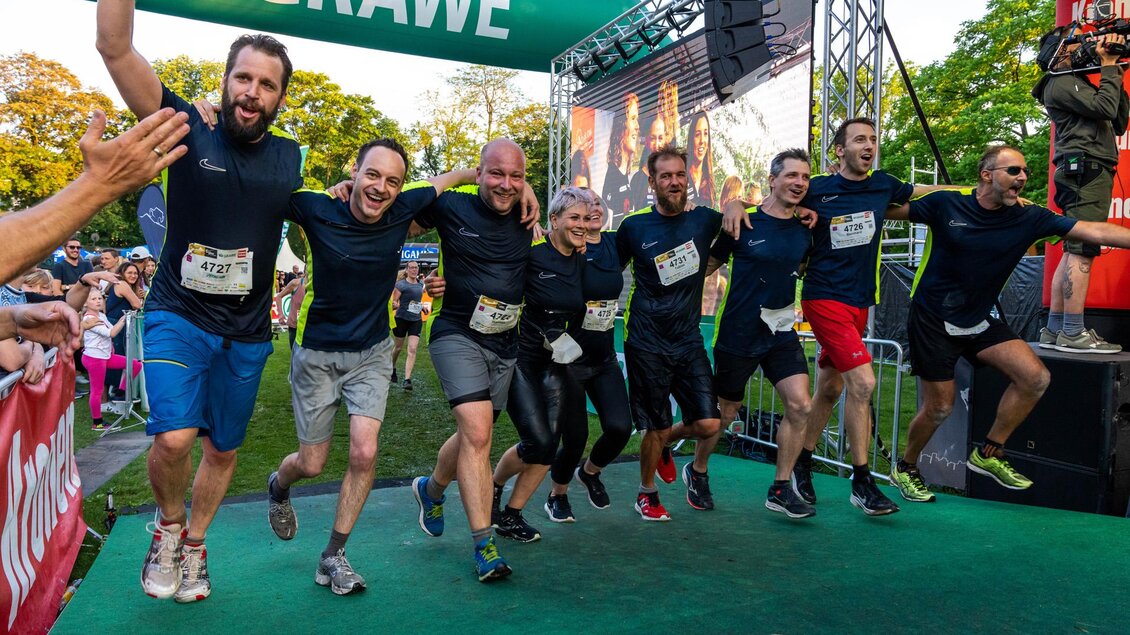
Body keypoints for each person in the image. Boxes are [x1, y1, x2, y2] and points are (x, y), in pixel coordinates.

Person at [97, 0, 303, 602]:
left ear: (279, 98)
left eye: (267, 84)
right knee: (174, 438)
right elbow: (115, 47)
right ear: (225, 79)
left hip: (245, 333)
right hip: (176, 317)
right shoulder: (186, 125)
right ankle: (166, 528)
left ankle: (195, 545)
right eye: (244, 77)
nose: (252, 91)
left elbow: (337, 216)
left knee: (222, 448)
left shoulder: (290, 159)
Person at [262, 139, 488, 595]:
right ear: (355, 171)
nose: (381, 187)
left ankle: (333, 556)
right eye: (372, 175)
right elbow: (258, 195)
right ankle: (278, 485)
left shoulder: (405, 207)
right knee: (311, 462)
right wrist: (327, 188)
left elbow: (454, 178)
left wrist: (512, 185)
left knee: (364, 453)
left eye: (393, 180)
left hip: (371, 352)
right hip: (317, 355)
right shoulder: (316, 207)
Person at [725, 118, 949, 516]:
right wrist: (734, 202)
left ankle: (801, 466)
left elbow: (931, 193)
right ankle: (862, 481)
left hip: (860, 302)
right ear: (839, 150)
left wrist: (979, 192)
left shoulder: (883, 185)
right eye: (859, 139)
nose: (869, 145)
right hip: (823, 299)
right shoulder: (819, 190)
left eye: (873, 139)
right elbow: (771, 205)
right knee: (862, 383)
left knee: (829, 390)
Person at [890, 145, 1130, 501]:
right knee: (940, 407)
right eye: (1014, 170)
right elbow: (892, 208)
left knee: (1035, 377)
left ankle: (988, 453)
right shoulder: (947, 203)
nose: (1022, 177)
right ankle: (906, 467)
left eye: (1025, 172)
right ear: (987, 175)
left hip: (978, 318)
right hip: (933, 319)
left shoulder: (1030, 217)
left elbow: (1093, 230)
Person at [409, 139, 535, 582]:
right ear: (479, 173)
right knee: (479, 432)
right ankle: (485, 546)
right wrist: (461, 174)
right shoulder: (452, 207)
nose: (506, 184)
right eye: (495, 173)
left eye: (515, 176)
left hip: (505, 342)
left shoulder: (527, 215)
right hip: (456, 333)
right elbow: (402, 215)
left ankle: (431, 488)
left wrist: (528, 191)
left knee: (472, 436)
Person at [704, 149, 816, 518]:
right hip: (739, 331)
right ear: (772, 179)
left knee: (800, 405)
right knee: (725, 412)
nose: (799, 183)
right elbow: (708, 266)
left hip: (780, 332)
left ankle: (781, 487)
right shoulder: (743, 221)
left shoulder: (806, 228)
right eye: (791, 176)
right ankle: (699, 468)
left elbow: (799, 267)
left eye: (804, 177)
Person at [617, 145, 723, 520]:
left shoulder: (704, 220)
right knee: (655, 424)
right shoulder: (633, 227)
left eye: (680, 174)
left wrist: (740, 204)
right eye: (666, 176)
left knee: (710, 422)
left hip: (688, 339)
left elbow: (735, 229)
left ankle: (664, 443)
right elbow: (605, 268)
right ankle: (646, 491)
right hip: (646, 341)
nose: (675, 182)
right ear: (653, 181)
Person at [0, 108, 188, 285]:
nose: (75, 250)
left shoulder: (85, 266)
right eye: (72, 248)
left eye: (77, 248)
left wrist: (13, 317)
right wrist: (100, 182)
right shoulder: (60, 267)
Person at [1034, 31, 1128, 354]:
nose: (1084, 46)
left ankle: (1058, 329)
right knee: (1083, 247)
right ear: (1059, 51)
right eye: (1075, 43)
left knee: (1074, 247)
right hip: (1085, 167)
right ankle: (1073, 332)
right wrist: (1108, 65)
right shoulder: (1058, 82)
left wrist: (1116, 68)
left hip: (1086, 167)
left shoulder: (1074, 81)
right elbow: (1104, 107)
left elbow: (1117, 121)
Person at [546, 187, 632, 516]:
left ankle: (590, 472)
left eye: (597, 202)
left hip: (604, 357)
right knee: (576, 437)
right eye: (584, 207)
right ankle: (557, 493)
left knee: (620, 428)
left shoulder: (615, 243)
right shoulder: (567, 248)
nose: (593, 209)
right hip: (568, 361)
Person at [81, 288, 143, 430]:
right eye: (93, 299)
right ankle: (97, 422)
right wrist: (124, 319)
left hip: (105, 356)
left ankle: (120, 392)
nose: (98, 301)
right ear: (85, 302)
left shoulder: (101, 315)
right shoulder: (89, 319)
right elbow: (112, 333)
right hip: (94, 358)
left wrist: (125, 318)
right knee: (96, 391)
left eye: (99, 298)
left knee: (135, 365)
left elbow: (112, 327)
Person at [602, 92, 640, 225]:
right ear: (621, 125)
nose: (637, 126)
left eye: (637, 119)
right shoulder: (611, 176)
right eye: (633, 118)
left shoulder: (627, 175)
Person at [390, 261, 425, 390]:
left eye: (416, 267)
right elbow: (394, 302)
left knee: (412, 349)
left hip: (415, 320)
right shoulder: (401, 285)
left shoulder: (421, 284)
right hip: (401, 319)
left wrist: (421, 307)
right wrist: (396, 305)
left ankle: (407, 379)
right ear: (407, 270)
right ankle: (392, 368)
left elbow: (416, 302)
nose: (414, 270)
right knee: (398, 348)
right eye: (411, 268)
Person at [628, 113, 667, 215]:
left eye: (660, 138)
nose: (657, 145)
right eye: (653, 138)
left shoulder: (672, 176)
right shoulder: (637, 179)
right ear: (646, 140)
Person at [687, 111, 717, 208]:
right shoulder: (681, 175)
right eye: (697, 134)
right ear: (691, 138)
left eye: (705, 134)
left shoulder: (709, 181)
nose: (702, 141)